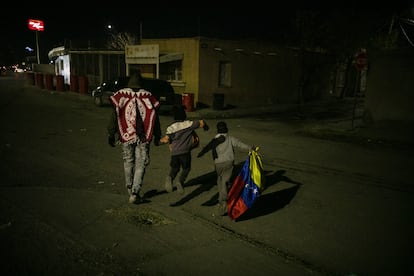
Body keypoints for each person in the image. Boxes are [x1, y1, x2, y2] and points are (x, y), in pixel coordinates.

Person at [107, 72, 162, 204]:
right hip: (143, 137)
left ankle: (129, 187)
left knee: (128, 161)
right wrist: (157, 135)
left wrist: (111, 133)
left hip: (126, 135)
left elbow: (115, 116)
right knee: (141, 163)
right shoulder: (148, 96)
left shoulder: (121, 95)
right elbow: (154, 118)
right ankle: (135, 192)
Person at [197, 121, 254, 215]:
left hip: (218, 164)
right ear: (226, 129)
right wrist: (250, 148)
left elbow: (207, 148)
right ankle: (226, 199)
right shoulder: (230, 138)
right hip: (229, 163)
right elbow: (240, 145)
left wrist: (200, 154)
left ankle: (223, 201)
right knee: (225, 181)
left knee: (220, 181)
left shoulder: (215, 139)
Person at [158, 105, 209, 194]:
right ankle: (180, 181)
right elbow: (201, 122)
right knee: (186, 168)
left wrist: (158, 142)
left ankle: (170, 178)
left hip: (174, 153)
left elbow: (166, 139)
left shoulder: (171, 127)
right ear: (184, 116)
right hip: (185, 152)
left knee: (175, 168)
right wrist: (205, 127)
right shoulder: (188, 124)